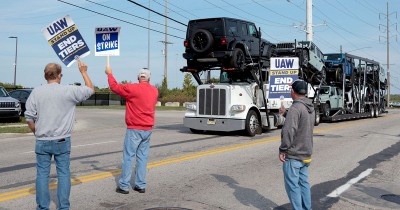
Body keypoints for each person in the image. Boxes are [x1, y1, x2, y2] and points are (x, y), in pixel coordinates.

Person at [25, 60, 94, 210]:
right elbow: (90, 89)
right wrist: (83, 71)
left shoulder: (36, 92)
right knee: (63, 173)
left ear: (46, 76)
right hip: (62, 140)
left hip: (42, 140)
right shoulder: (68, 90)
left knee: (42, 175)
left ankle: (43, 207)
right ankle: (63, 207)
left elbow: (29, 118)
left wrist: (36, 132)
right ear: (59, 75)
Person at [105, 66, 158, 194]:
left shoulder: (132, 88)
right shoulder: (154, 91)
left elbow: (114, 87)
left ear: (138, 77)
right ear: (149, 78)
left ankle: (124, 185)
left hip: (134, 128)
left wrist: (109, 74)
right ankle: (140, 185)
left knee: (128, 157)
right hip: (147, 129)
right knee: (142, 158)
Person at [278, 79, 315, 210]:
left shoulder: (295, 107)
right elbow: (302, 122)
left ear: (293, 91)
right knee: (304, 184)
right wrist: (286, 114)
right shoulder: (309, 107)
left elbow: (289, 130)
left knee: (293, 187)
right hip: (306, 154)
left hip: (294, 155)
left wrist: (283, 150)